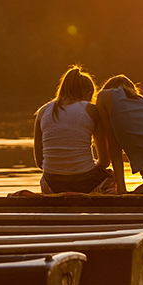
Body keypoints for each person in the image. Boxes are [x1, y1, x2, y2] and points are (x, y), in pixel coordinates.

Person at [33, 65, 114, 194]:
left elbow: (40, 162)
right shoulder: (91, 110)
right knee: (111, 177)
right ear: (87, 93)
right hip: (86, 182)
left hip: (52, 183)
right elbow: (104, 161)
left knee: (45, 179)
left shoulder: (42, 112)